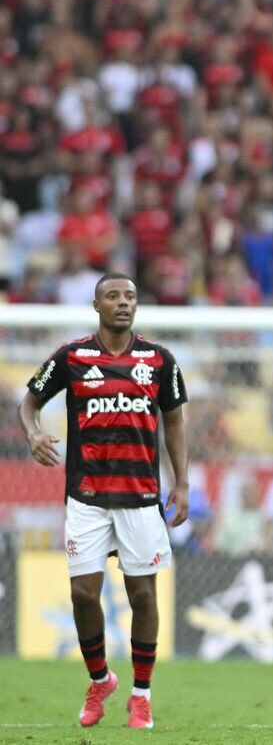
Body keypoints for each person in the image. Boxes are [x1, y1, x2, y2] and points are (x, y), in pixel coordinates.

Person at [18, 272, 189, 730]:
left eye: (130, 296)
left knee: (143, 596)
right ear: (96, 305)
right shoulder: (72, 357)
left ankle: (141, 695)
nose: (123, 303)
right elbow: (28, 402)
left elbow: (174, 422)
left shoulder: (159, 360)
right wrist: (33, 433)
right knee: (81, 593)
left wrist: (182, 482)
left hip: (139, 497)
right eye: (113, 296)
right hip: (87, 497)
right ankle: (100, 680)